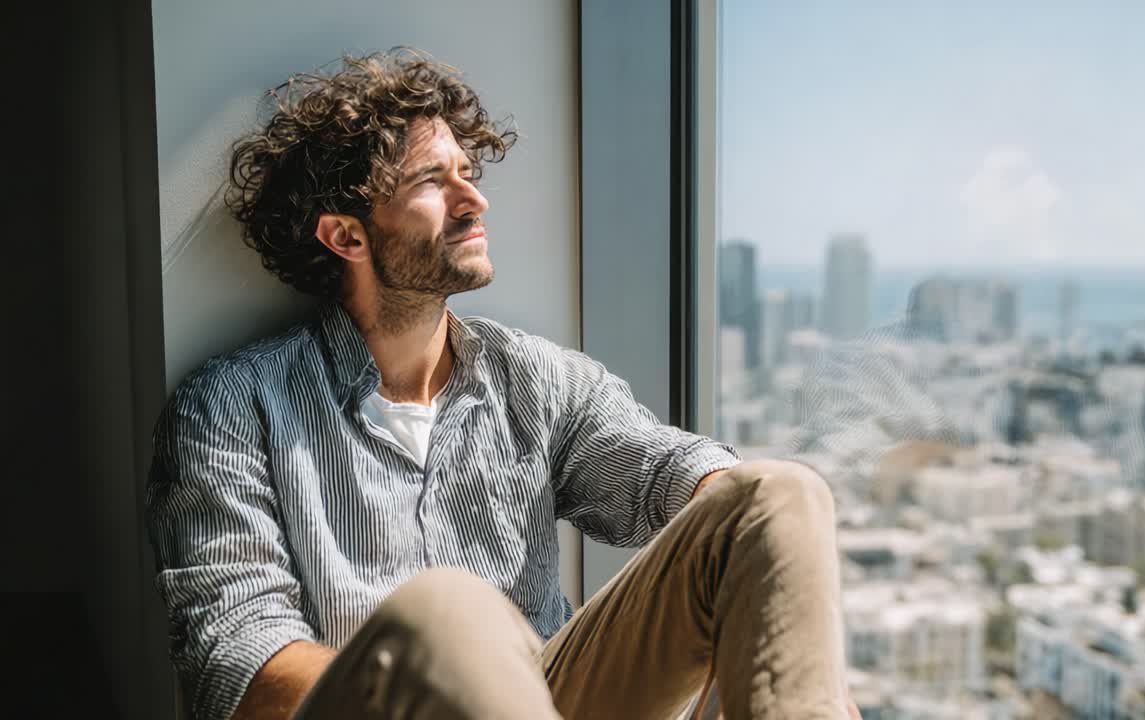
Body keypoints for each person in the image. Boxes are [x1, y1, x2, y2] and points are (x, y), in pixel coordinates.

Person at [146, 48, 852, 720]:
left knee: (774, 494)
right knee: (451, 615)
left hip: (552, 699)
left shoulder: (536, 379)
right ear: (346, 236)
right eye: (432, 180)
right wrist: (429, 671)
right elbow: (236, 662)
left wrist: (770, 595)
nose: (473, 200)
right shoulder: (233, 409)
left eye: (467, 173)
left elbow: (670, 472)